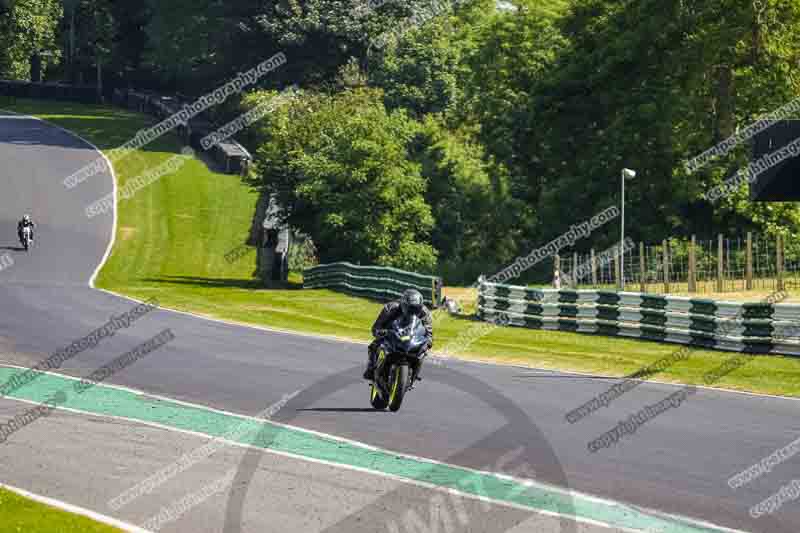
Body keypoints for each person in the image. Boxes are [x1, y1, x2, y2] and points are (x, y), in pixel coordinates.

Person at [363, 288, 433, 381]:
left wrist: (429, 340)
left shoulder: (424, 312)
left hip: (411, 336)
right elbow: (376, 327)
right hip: (392, 333)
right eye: (411, 308)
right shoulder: (391, 308)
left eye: (416, 308)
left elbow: (428, 331)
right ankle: (371, 368)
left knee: (422, 352)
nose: (413, 311)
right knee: (374, 345)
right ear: (404, 304)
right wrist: (380, 332)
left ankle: (414, 374)